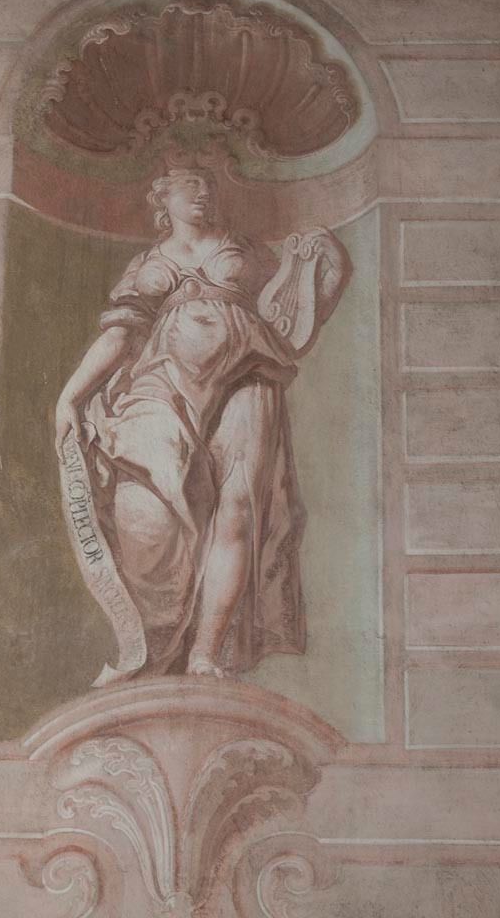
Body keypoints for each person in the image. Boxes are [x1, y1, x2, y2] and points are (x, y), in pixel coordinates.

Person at [55, 167, 350, 679]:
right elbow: (120, 335)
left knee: (238, 507)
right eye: (189, 183)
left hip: (249, 370)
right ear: (162, 198)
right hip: (162, 379)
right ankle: (155, 644)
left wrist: (332, 269)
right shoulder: (146, 263)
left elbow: (293, 310)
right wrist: (69, 396)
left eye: (208, 184)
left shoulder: (248, 250)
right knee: (145, 507)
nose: (203, 192)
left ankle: (206, 654)